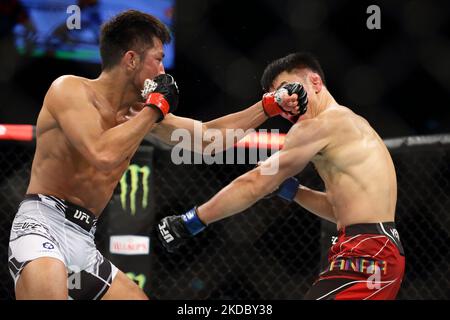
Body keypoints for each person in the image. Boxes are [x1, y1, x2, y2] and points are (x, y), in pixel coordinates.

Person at [7, 10, 303, 300]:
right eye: (158, 60)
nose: (163, 72)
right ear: (131, 60)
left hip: (83, 238)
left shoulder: (140, 113)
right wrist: (156, 108)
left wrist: (267, 107)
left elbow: (208, 139)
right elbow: (102, 153)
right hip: (42, 224)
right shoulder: (70, 90)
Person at [157, 52, 406, 300]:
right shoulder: (352, 124)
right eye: (279, 100)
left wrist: (191, 221)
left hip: (368, 254)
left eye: (289, 90)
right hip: (376, 250)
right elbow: (340, 210)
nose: (288, 106)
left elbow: (255, 182)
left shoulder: (320, 126)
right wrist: (294, 191)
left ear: (315, 82)